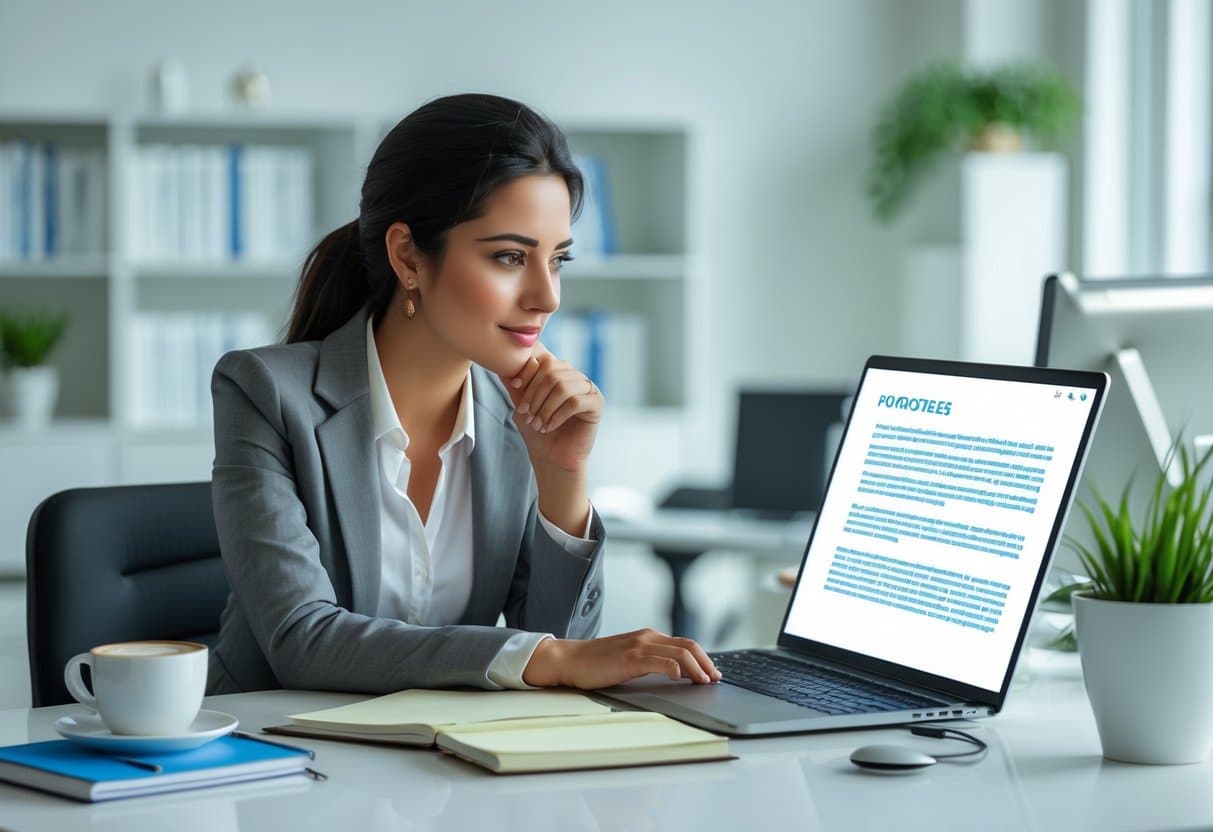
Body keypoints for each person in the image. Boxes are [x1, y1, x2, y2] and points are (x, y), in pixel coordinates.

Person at [206, 93, 720, 695]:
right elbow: (302, 638)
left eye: (557, 260)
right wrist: (550, 660)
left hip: (447, 768)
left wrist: (563, 475)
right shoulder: (266, 393)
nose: (547, 296)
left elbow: (560, 646)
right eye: (509, 257)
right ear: (408, 256)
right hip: (272, 754)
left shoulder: (520, 418)